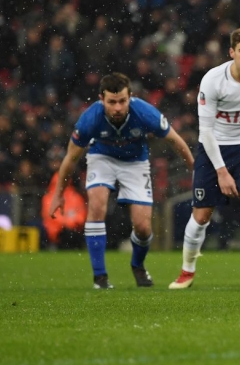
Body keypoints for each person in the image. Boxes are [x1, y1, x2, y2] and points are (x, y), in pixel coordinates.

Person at [49, 72, 194, 289]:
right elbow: (71, 158)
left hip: (135, 162)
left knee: (143, 227)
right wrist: (58, 194)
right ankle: (100, 276)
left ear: (130, 97)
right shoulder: (89, 119)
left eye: (122, 101)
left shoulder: (145, 112)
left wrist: (194, 169)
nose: (117, 107)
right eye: (112, 102)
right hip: (102, 158)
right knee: (97, 205)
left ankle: (137, 265)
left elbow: (176, 140)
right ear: (101, 99)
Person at [169, 26, 240, 290]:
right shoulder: (212, 80)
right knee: (202, 214)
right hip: (214, 148)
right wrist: (221, 171)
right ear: (232, 52)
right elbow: (205, 131)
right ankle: (187, 271)